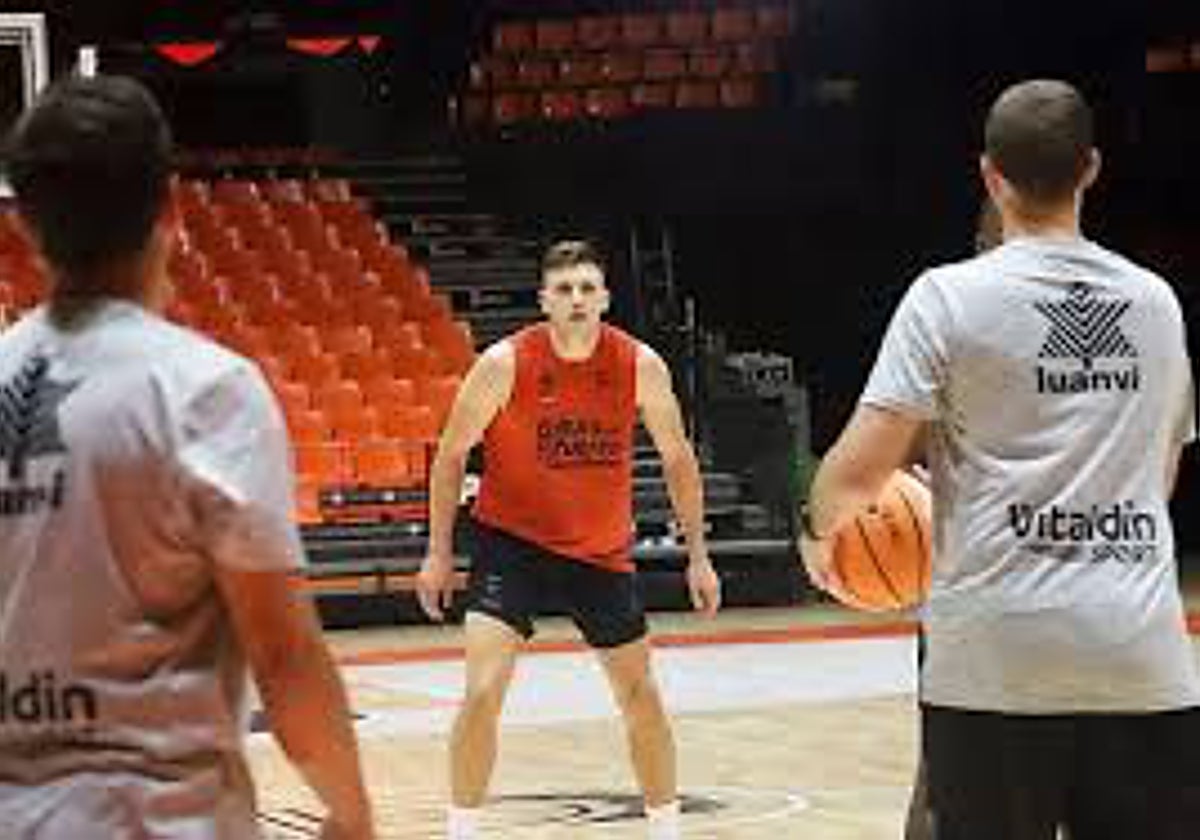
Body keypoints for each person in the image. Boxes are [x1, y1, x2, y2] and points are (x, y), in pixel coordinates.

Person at [800, 79, 1199, 839]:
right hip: (1139, 654)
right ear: (1090, 169)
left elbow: (853, 479)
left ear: (989, 174)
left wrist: (822, 539)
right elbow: (1159, 478)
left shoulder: (945, 298)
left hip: (995, 659)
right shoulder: (1156, 302)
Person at [0, 75, 374, 839]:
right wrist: (352, 813)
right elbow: (282, 655)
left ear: (28, 226)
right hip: (161, 818)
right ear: (172, 208)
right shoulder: (205, 392)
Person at [416, 239, 722, 840]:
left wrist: (699, 557)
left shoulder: (640, 365)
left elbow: (678, 459)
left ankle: (666, 829)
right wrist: (437, 553)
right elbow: (451, 455)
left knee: (641, 696)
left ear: (605, 298)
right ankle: (461, 831)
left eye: (587, 288)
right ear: (543, 301)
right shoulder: (505, 363)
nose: (577, 299)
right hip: (511, 542)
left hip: (599, 552)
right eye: (564, 290)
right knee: (482, 690)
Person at [902, 196, 1004, 840]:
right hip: (971, 586)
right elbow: (893, 455)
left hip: (995, 587)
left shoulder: (941, 307)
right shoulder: (951, 315)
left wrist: (826, 528)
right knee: (942, 781)